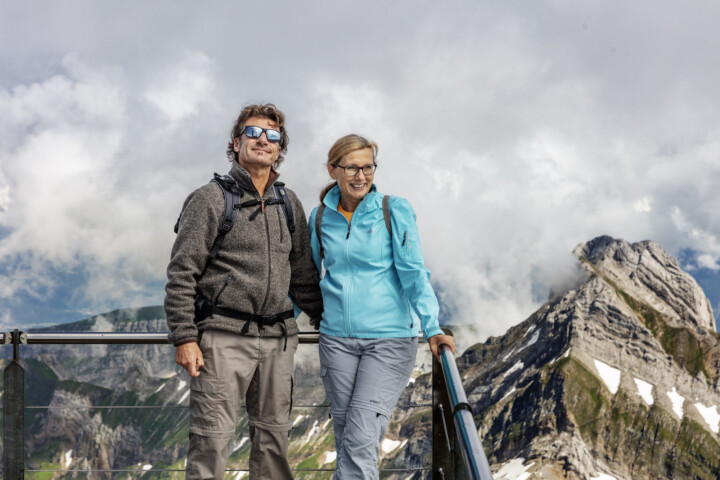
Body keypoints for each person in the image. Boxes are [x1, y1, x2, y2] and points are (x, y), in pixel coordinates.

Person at [165, 103, 322, 480]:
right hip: (223, 338)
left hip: (279, 340)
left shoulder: (289, 202)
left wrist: (329, 319)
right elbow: (182, 272)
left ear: (280, 148)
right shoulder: (210, 199)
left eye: (272, 136)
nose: (262, 141)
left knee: (274, 442)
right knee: (211, 441)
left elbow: (300, 272)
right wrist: (185, 336)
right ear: (236, 143)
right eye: (252, 133)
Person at [308, 134, 456, 479]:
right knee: (349, 437)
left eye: (368, 167)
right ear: (333, 170)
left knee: (359, 436)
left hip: (388, 341)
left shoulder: (394, 209)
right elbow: (306, 277)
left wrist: (432, 327)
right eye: (352, 168)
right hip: (336, 342)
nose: (361, 176)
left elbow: (414, 272)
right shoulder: (319, 218)